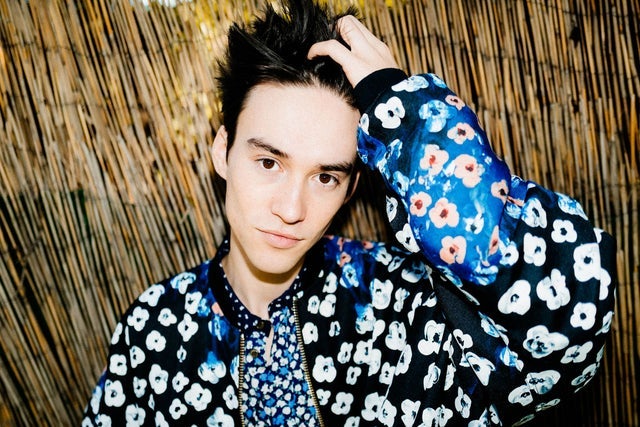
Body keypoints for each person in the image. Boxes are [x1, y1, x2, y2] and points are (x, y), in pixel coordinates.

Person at [82, 0, 616, 425]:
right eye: (268, 162)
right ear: (223, 151)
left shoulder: (405, 304)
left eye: (326, 177)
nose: (291, 209)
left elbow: (572, 320)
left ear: (352, 186)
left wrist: (406, 115)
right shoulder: (155, 328)